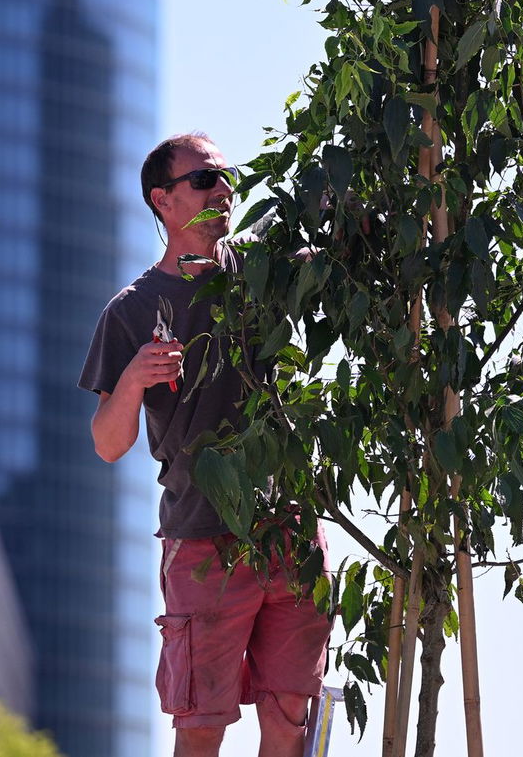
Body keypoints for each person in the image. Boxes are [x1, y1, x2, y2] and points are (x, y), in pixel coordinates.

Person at [80, 133, 332, 757]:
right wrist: (134, 380)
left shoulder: (262, 269)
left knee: (292, 712)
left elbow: (326, 206)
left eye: (226, 179)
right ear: (162, 200)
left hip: (291, 525)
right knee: (201, 724)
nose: (222, 191)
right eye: (204, 180)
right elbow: (109, 444)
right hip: (201, 537)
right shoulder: (130, 313)